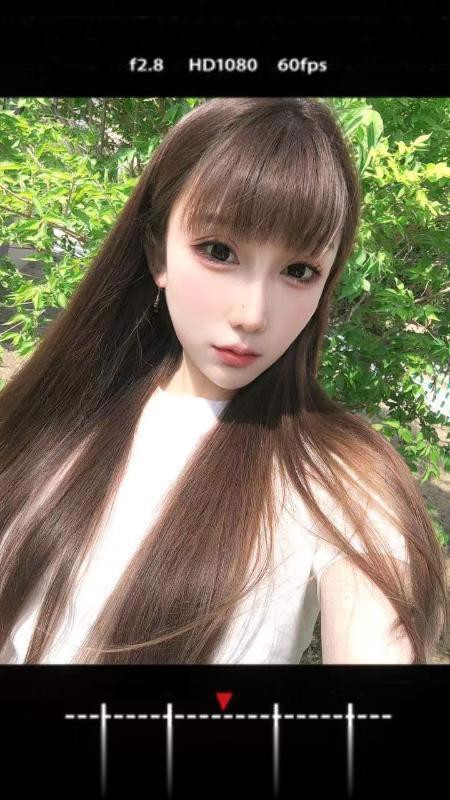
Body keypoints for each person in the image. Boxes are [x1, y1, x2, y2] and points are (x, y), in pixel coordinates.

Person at [0, 97, 447, 665]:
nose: (253, 314)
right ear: (157, 254)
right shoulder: (59, 415)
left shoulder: (342, 478)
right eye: (219, 251)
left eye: (299, 270)